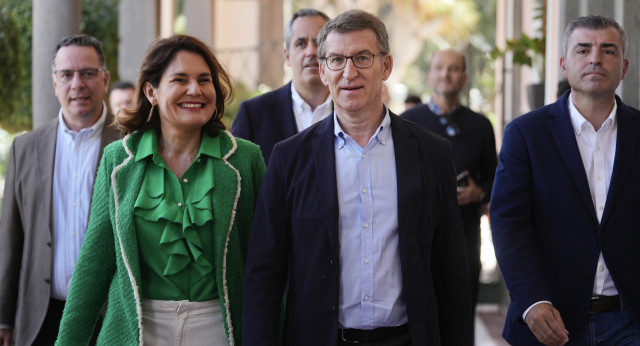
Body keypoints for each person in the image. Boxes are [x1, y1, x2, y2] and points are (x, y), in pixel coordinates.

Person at [243, 10, 473, 346]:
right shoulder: (288, 158)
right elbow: (265, 275)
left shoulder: (433, 153)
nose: (349, 72)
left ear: (386, 66)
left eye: (362, 58)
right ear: (323, 70)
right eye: (336, 59)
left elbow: (451, 270)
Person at [55, 34, 265, 345]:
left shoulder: (245, 159)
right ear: (151, 91)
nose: (195, 89)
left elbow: (266, 264)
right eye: (180, 79)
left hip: (220, 330)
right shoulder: (117, 160)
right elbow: (94, 264)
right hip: (138, 330)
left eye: (204, 80)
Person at [490, 15, 640, 345]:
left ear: (624, 67)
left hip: (631, 321)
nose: (595, 59)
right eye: (583, 50)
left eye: (608, 51)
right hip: (551, 320)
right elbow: (508, 222)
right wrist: (532, 300)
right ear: (563, 65)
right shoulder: (526, 134)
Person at [0, 34, 119, 346]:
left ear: (104, 80)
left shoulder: (131, 143)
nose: (77, 84)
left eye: (88, 73)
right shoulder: (25, 148)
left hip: (109, 316)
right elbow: (11, 240)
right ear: (55, 83)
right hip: (41, 317)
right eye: (66, 74)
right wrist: (3, 317)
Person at [401, 49, 497, 318]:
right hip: (419, 237)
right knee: (419, 319)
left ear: (464, 78)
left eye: (454, 69)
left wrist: (479, 192)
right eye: (440, 68)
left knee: (461, 316)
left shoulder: (480, 125)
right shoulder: (406, 122)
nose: (446, 74)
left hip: (465, 237)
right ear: (430, 75)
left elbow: (497, 179)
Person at [232, 8, 331, 165]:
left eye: (319, 43)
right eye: (301, 43)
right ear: (287, 56)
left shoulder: (352, 111)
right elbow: (240, 183)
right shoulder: (253, 114)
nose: (311, 51)